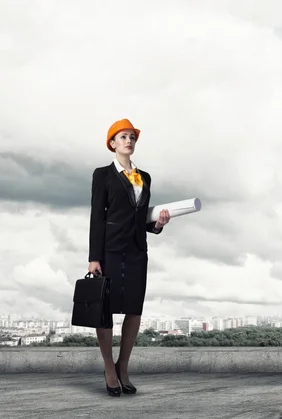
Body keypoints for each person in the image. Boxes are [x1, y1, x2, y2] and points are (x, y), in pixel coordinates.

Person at [87, 118, 170, 397]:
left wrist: (157, 224)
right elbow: (97, 217)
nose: (129, 141)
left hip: (137, 250)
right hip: (109, 249)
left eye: (132, 137)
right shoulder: (102, 175)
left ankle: (124, 366)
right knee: (105, 308)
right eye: (123, 137)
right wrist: (93, 258)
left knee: (134, 308)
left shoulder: (144, 177)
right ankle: (109, 367)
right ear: (112, 143)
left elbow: (141, 218)